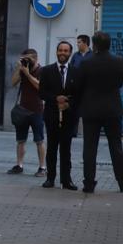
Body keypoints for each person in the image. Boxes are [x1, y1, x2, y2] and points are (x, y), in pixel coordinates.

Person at [73, 31, 123, 193]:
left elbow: (79, 85)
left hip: (91, 110)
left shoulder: (86, 63)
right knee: (116, 147)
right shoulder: (119, 62)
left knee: (89, 148)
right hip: (113, 109)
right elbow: (119, 83)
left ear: (94, 44)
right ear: (110, 44)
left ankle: (89, 184)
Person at [38, 42, 78, 190]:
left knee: (66, 149)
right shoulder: (47, 71)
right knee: (52, 148)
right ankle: (50, 178)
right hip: (51, 115)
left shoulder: (76, 71)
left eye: (66, 51)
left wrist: (68, 102)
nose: (62, 53)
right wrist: (56, 98)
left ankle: (66, 180)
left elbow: (79, 94)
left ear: (70, 53)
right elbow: (42, 92)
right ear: (56, 52)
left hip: (69, 116)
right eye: (60, 50)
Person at [7, 49, 47, 177]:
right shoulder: (23, 69)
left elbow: (40, 86)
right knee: (20, 140)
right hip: (23, 109)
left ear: (36, 58)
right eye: (24, 59)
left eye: (29, 59)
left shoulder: (42, 71)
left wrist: (28, 74)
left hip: (37, 110)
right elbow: (13, 83)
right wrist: (20, 69)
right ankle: (19, 165)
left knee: (39, 140)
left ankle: (42, 167)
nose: (27, 61)